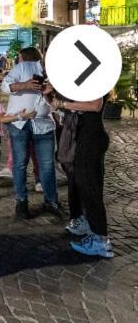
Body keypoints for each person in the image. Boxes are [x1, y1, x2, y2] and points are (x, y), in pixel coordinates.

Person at [48, 87, 113, 258]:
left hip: (90, 139)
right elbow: (62, 106)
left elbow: (95, 105)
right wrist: (50, 94)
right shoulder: (86, 82)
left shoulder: (97, 81)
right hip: (84, 137)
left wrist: (63, 102)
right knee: (81, 184)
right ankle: (88, 223)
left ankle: (101, 241)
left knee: (90, 187)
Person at [1, 47, 61, 219]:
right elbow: (5, 86)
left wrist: (51, 92)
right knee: (19, 164)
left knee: (48, 166)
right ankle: (21, 202)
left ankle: (51, 201)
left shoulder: (59, 74)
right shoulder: (24, 67)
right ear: (44, 54)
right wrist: (25, 85)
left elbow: (58, 103)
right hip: (19, 123)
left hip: (43, 123)